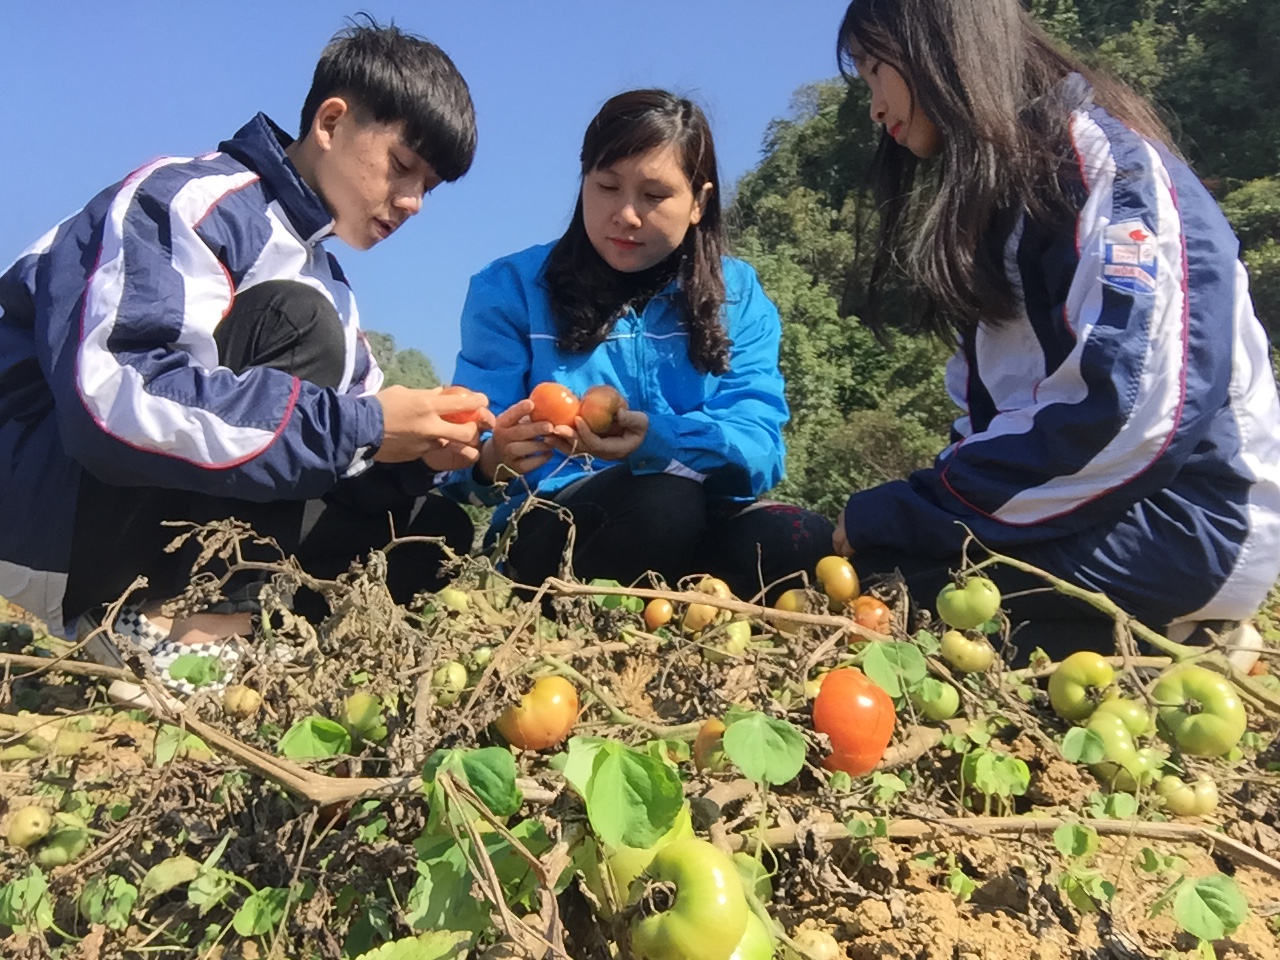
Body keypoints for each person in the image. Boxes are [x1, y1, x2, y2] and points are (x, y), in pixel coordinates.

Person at [0, 18, 491, 692]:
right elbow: (112, 402)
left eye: (428, 187)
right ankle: (195, 640)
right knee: (300, 329)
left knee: (426, 529)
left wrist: (429, 454)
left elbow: (340, 453)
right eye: (403, 168)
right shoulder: (188, 200)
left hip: (134, 521)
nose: (410, 203)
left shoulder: (329, 285)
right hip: (44, 509)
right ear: (330, 121)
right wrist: (366, 426)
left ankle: (214, 633)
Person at [830, 0, 1280, 660]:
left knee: (906, 597)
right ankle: (1166, 637)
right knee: (878, 572)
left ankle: (1185, 636)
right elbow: (995, 417)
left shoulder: (1106, 170)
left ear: (942, 46)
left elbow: (1127, 410)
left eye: (875, 69)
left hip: (1190, 517)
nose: (874, 106)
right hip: (1113, 505)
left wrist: (911, 511)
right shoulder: (1000, 208)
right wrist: (917, 511)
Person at [439, 89, 834, 603]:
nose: (626, 214)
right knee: (663, 504)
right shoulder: (509, 288)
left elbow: (760, 448)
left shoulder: (738, 297)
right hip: (556, 524)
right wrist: (493, 457)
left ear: (700, 203)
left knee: (806, 540)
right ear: (583, 183)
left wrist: (659, 440)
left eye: (654, 196)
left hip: (702, 518)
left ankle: (686, 614)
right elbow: (459, 462)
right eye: (606, 186)